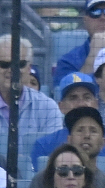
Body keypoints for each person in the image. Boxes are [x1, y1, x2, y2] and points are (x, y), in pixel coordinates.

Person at [27, 107, 105, 188]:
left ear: (103, 143)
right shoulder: (42, 181)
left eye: (93, 131)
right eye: (80, 130)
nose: (86, 136)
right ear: (69, 140)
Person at [0, 35, 64, 177]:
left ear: (29, 68)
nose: (11, 69)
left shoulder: (48, 107)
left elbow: (54, 156)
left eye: (19, 63)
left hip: (39, 184)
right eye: (4, 64)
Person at [31, 72, 105, 172]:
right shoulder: (43, 145)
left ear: (96, 104)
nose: (81, 104)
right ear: (61, 106)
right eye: (73, 98)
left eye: (87, 97)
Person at [53, 0, 105, 87]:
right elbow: (64, 96)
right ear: (85, 20)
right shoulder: (68, 61)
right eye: (95, 12)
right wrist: (93, 55)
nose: (103, 17)